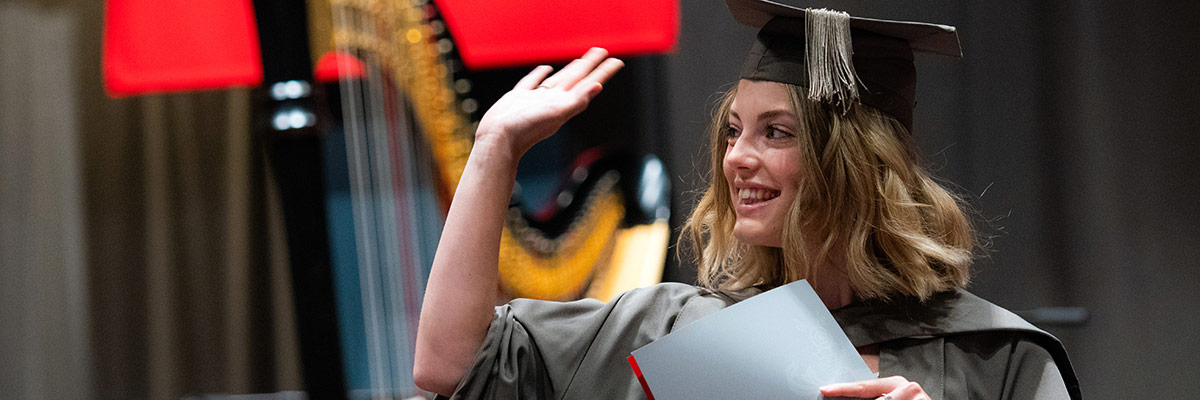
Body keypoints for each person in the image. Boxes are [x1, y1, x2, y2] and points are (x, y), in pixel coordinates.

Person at [414, 0, 1081, 399]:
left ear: (855, 165)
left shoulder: (996, 358)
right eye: (733, 131)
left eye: (775, 132)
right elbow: (451, 365)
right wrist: (495, 148)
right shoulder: (670, 330)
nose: (736, 157)